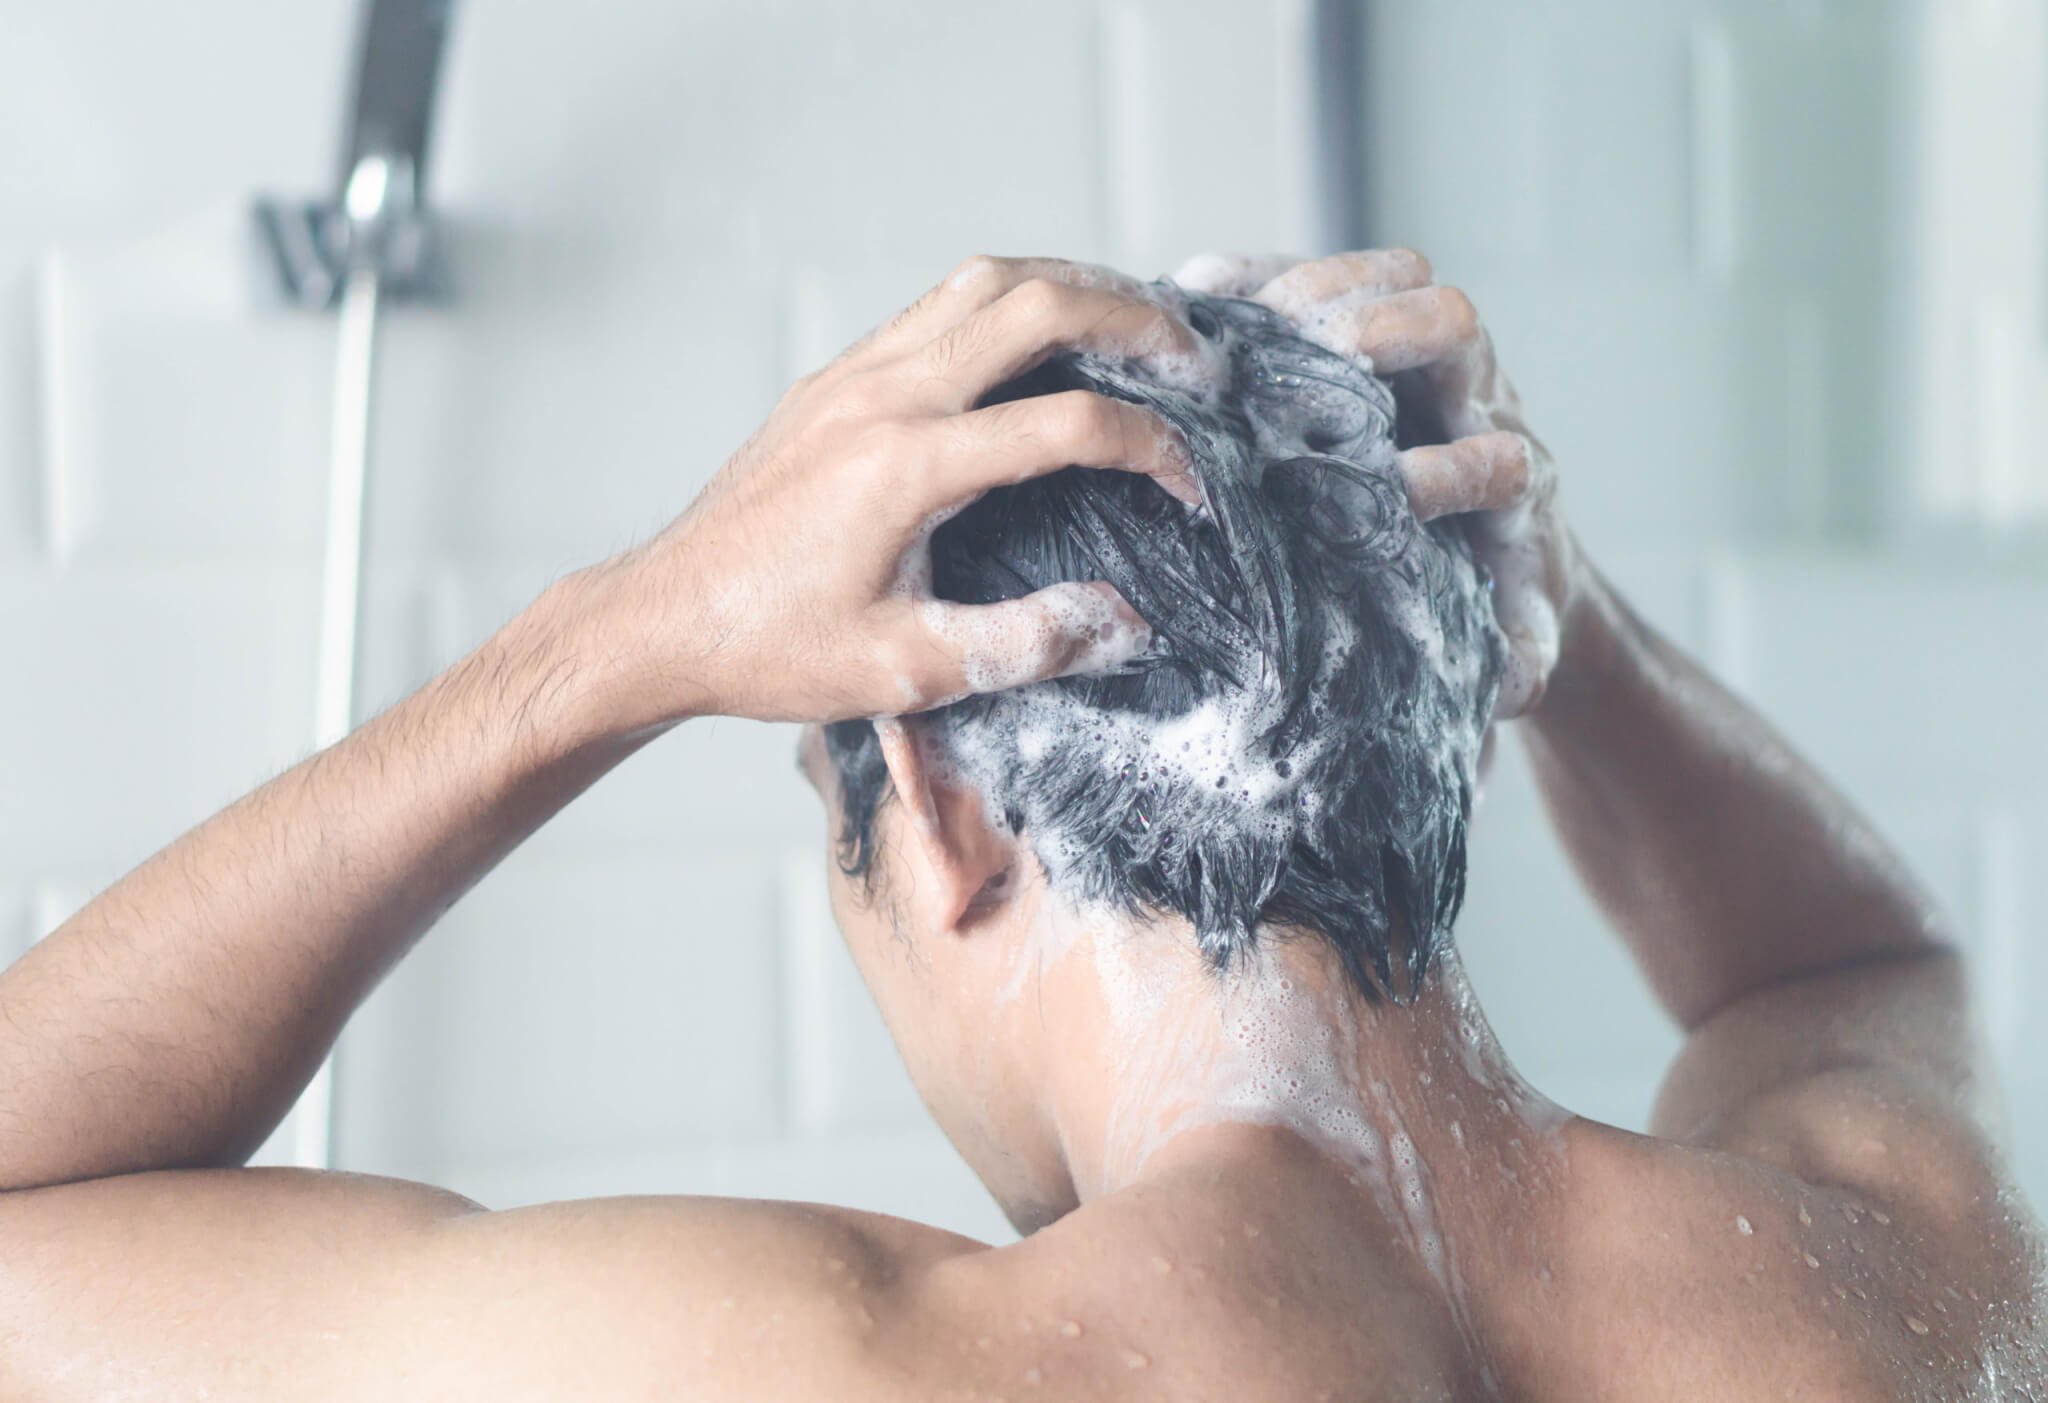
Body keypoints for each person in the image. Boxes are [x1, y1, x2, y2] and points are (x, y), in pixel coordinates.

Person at [0, 250, 2037, 1401]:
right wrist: (1561, 613)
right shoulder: (1882, 1280)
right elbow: (1847, 964)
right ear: (1442, 714)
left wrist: (614, 638)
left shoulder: (848, 1368)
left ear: (941, 812)